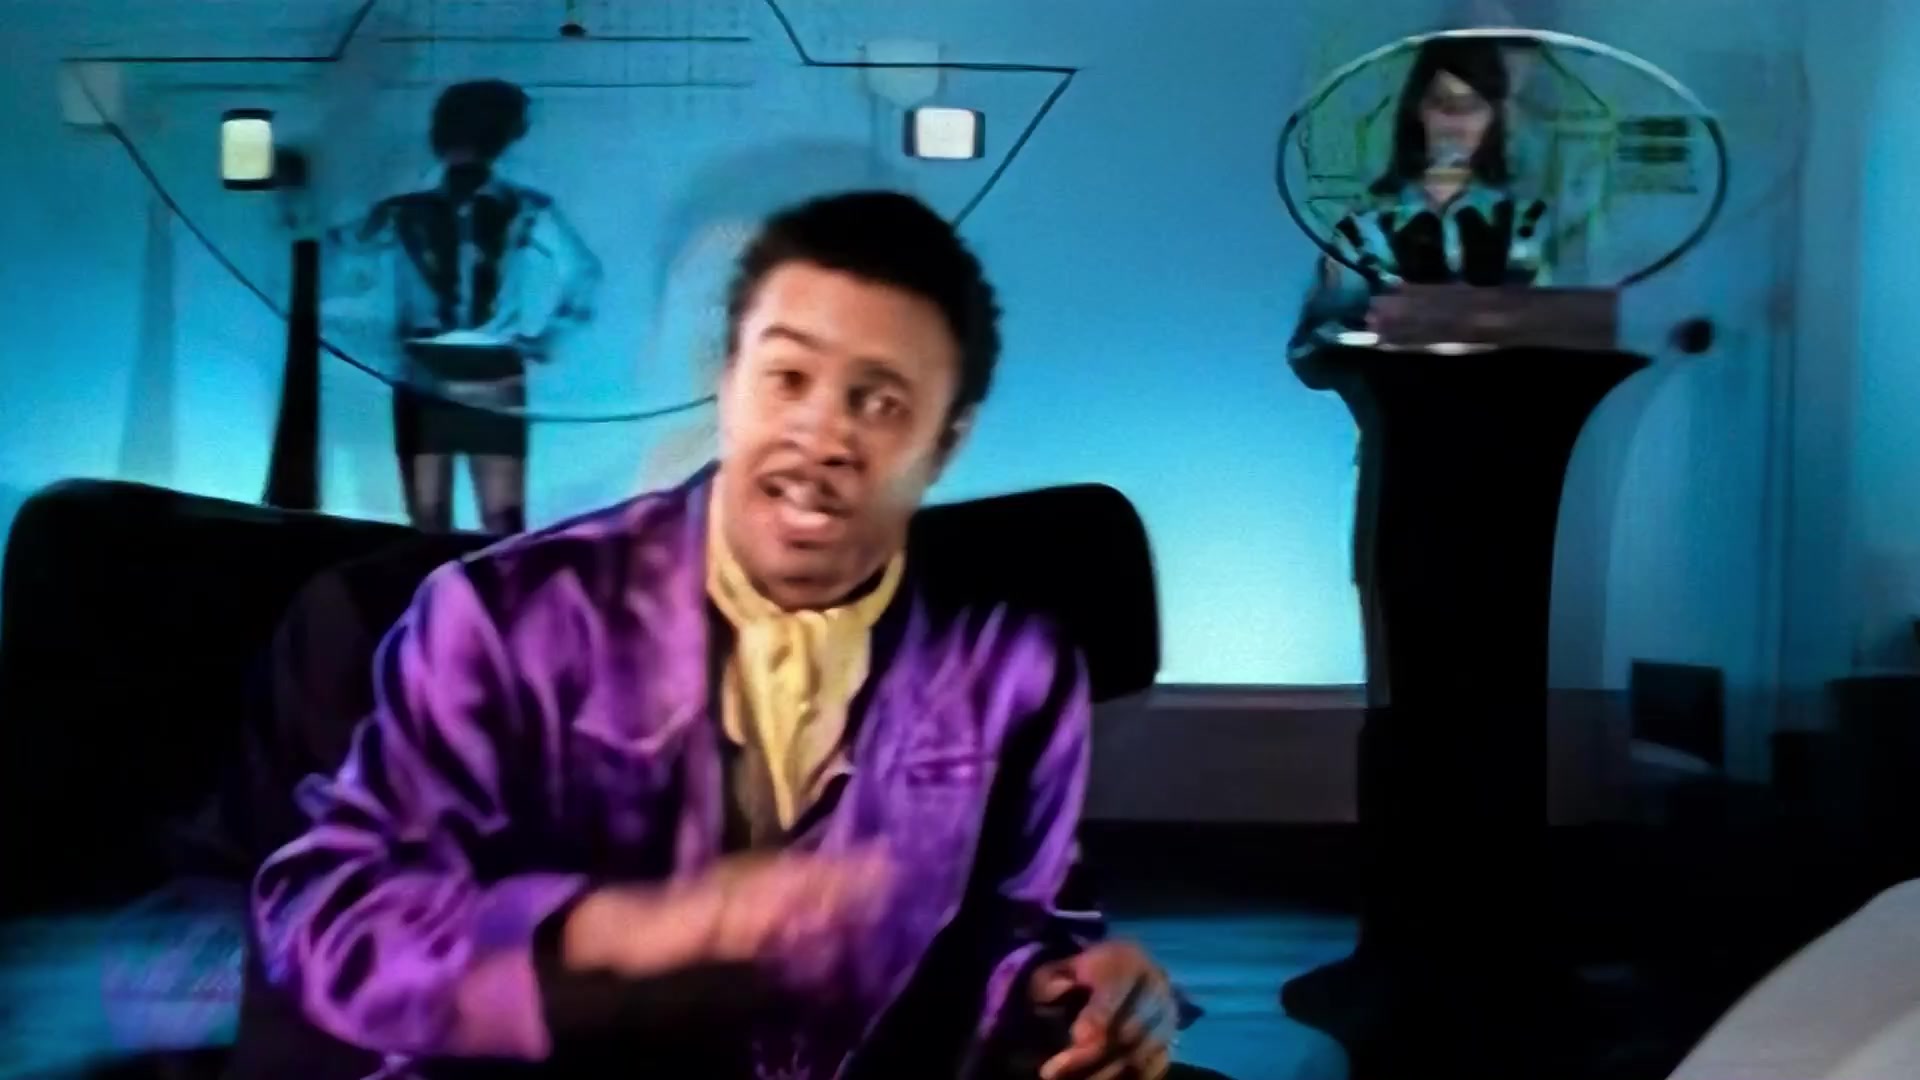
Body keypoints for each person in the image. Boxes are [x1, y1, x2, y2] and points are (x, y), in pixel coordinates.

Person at [248, 191, 1191, 1080]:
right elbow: (329, 916)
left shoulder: (1013, 670)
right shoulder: (498, 617)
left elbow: (1024, 931)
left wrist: (1076, 994)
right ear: (726, 382)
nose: (821, 436)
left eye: (880, 402)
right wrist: (621, 932)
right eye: (788, 379)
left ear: (948, 441)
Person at [1288, 35, 1549, 704]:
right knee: (1399, 659)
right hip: (1399, 467)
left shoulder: (1526, 227)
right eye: (1442, 102)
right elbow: (1309, 352)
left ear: (1495, 118)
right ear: (1416, 112)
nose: (1456, 121)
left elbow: (1552, 337)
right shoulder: (1364, 232)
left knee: (1493, 663)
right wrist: (1365, 335)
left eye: (1475, 105)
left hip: (1504, 473)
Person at [325, 79, 602, 536]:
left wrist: (547, 339)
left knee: (450, 521)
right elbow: (583, 272)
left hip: (455, 369)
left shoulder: (415, 210)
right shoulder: (514, 207)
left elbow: (337, 255)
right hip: (455, 370)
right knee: (472, 520)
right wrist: (548, 339)